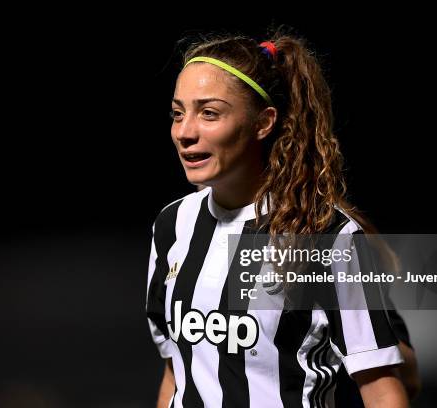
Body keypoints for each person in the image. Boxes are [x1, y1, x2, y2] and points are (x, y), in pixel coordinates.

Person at [146, 27, 412, 407]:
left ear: (264, 122)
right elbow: (177, 370)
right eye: (177, 113)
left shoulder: (326, 235)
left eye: (209, 113)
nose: (185, 132)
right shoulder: (172, 225)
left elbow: (384, 390)